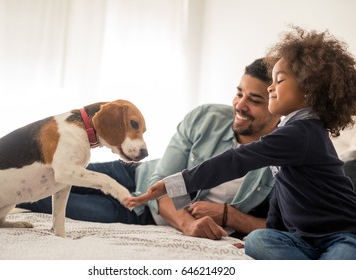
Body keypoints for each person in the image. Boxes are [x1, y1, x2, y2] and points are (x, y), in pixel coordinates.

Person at [125, 26, 356, 260]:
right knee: (257, 240)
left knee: (343, 256)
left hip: (340, 233)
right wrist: (273, 230)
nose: (270, 87)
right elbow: (284, 193)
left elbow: (237, 160)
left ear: (308, 90)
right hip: (303, 239)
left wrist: (177, 183)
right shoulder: (290, 131)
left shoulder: (303, 133)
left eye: (280, 81)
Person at [18, 58, 281, 240]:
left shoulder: (285, 156)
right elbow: (162, 181)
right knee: (41, 174)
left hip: (140, 214)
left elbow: (287, 226)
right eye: (239, 93)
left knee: (35, 198)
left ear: (277, 106)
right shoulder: (205, 118)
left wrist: (231, 216)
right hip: (134, 175)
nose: (240, 105)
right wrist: (188, 225)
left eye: (254, 100)